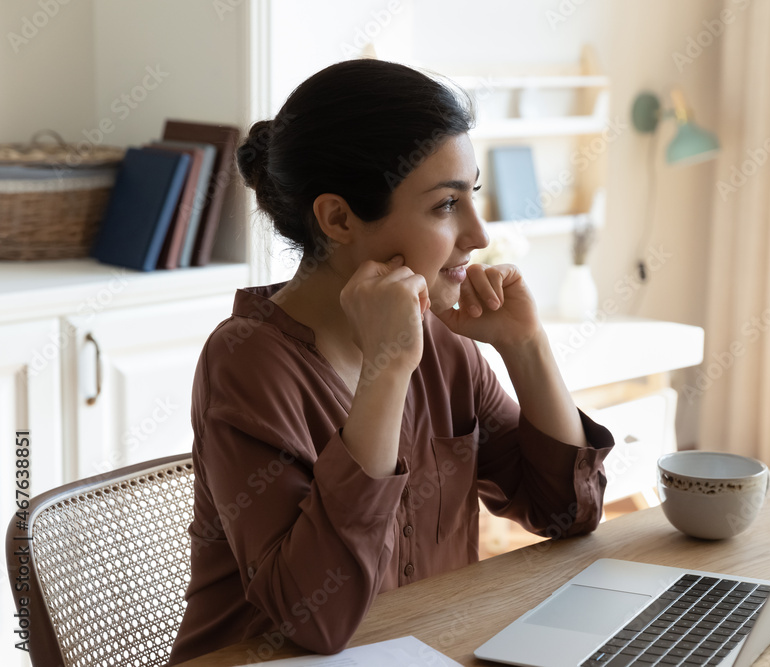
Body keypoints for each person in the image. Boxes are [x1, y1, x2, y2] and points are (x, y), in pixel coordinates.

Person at [167, 59, 615, 665]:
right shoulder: (247, 362)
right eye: (445, 205)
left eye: (473, 194)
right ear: (339, 219)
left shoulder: (447, 342)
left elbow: (566, 511)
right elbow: (315, 621)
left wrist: (525, 346)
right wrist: (387, 370)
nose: (479, 233)